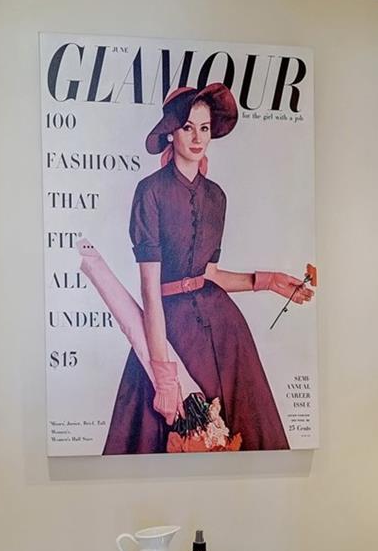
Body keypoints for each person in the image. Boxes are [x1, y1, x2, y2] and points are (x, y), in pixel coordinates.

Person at [103, 84, 313, 454]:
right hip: (170, 333)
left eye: (204, 128)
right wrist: (165, 377)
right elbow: (150, 292)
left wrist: (269, 282)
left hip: (225, 331)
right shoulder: (149, 192)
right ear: (171, 130)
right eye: (188, 127)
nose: (198, 137)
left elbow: (210, 274)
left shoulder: (217, 196)